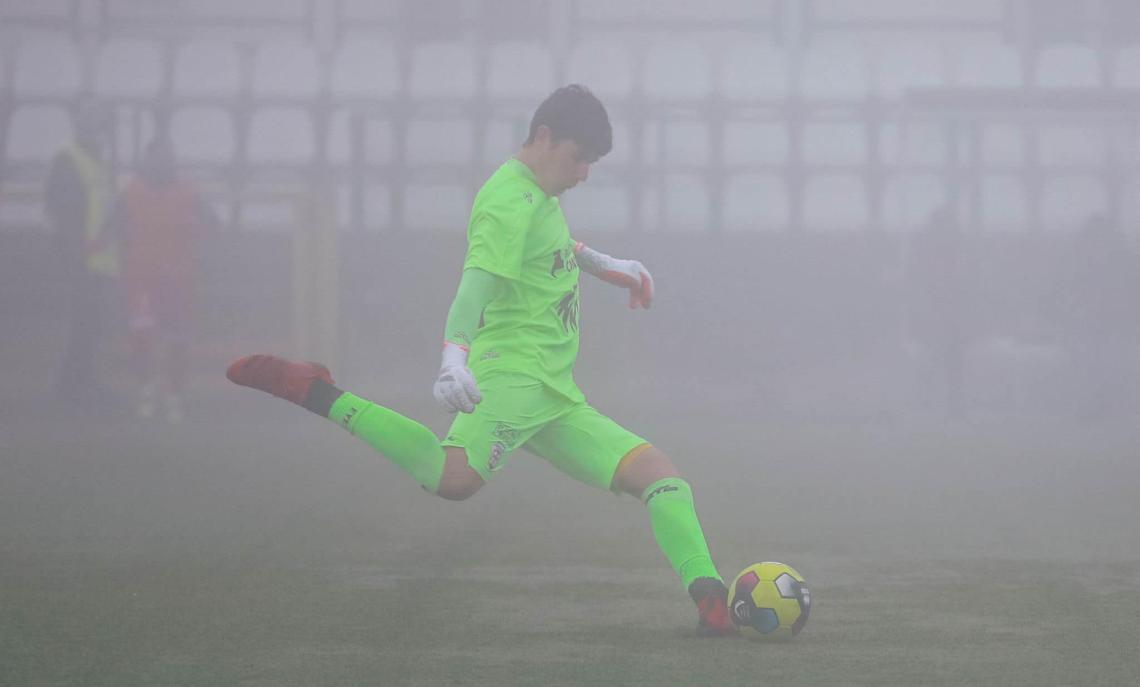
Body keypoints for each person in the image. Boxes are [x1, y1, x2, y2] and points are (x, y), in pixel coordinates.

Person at [226, 85, 736, 636]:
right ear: (543, 137)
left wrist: (602, 263)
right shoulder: (504, 200)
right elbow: (476, 286)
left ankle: (710, 601)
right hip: (513, 375)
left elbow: (547, 245)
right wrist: (454, 358)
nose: (585, 171)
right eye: (578, 157)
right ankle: (316, 390)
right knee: (453, 478)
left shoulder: (538, 193)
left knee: (660, 477)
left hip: (554, 393)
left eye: (591, 162)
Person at [109, 137, 217, 422]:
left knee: (178, 339)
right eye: (156, 157)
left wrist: (202, 252)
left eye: (166, 157)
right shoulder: (131, 191)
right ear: (147, 160)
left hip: (179, 280)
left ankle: (175, 396)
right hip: (141, 279)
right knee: (142, 336)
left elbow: (213, 223)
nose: (161, 163)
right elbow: (113, 227)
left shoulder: (189, 192)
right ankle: (146, 390)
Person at [45, 98, 118, 406]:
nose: (96, 127)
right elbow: (62, 212)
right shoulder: (68, 159)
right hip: (81, 260)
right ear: (80, 124)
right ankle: (71, 388)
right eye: (90, 120)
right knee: (82, 325)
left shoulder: (97, 159)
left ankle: (81, 384)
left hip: (97, 259)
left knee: (90, 325)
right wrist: (74, 254)